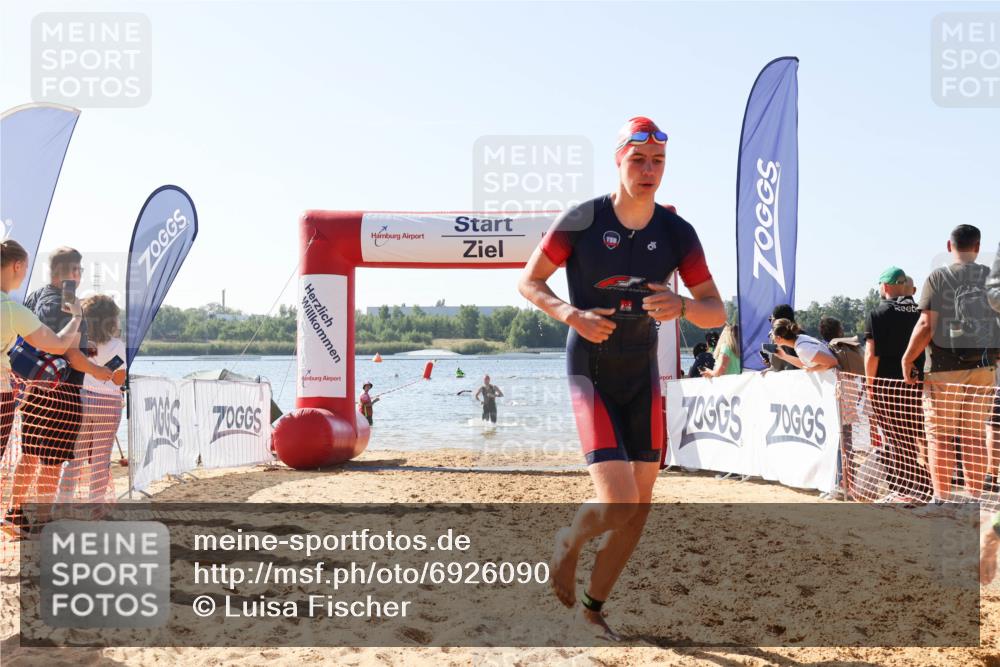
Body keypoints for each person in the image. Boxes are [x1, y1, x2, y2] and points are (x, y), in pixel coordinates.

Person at [517, 116, 726, 639]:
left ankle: (593, 607)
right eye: (638, 160)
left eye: (657, 162)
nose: (649, 170)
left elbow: (716, 312)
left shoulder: (677, 232)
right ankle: (569, 539)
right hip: (589, 367)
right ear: (618, 160)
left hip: (641, 373)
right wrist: (571, 315)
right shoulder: (583, 219)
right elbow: (529, 281)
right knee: (616, 502)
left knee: (639, 508)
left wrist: (681, 304)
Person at [5, 247, 125, 534]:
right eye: (79, 271)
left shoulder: (34, 297)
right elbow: (71, 354)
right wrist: (99, 372)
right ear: (71, 273)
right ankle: (43, 522)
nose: (81, 276)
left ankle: (15, 511)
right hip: (62, 392)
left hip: (34, 388)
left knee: (30, 454)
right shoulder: (66, 305)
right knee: (53, 460)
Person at [902, 225, 997, 504]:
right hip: (984, 367)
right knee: (974, 436)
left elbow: (926, 324)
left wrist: (908, 357)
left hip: (944, 368)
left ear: (949, 246)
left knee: (940, 437)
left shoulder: (939, 277)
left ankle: (942, 499)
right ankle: (974, 499)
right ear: (978, 247)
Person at [0, 240, 84, 463]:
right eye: (26, 267)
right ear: (17, 266)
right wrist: (76, 316)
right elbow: (59, 345)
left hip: (28, 393)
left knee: (28, 457)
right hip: (30, 393)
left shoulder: (28, 301)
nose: (26, 273)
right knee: (48, 464)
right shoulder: (11, 309)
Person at [862, 267, 931, 503]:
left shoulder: (878, 313)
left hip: (887, 385)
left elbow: (871, 354)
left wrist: (869, 385)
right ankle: (923, 486)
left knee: (895, 438)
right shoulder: (922, 312)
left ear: (886, 286)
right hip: (918, 382)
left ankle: (906, 490)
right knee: (917, 436)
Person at [57, 294, 126, 504]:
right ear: (111, 320)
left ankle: (62, 504)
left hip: (83, 399)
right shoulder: (117, 345)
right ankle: (95, 508)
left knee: (74, 458)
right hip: (108, 403)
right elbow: (118, 381)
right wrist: (108, 372)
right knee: (100, 459)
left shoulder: (79, 343)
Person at [770, 318, 839, 371]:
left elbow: (833, 362)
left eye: (772, 334)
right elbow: (806, 363)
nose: (771, 337)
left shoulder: (802, 349)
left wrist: (812, 370)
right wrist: (784, 356)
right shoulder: (801, 340)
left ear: (779, 337)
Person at [764, 304, 797, 372]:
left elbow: (776, 366)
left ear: (777, 321)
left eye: (771, 319)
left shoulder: (777, 337)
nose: (771, 322)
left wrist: (771, 366)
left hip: (790, 377)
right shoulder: (802, 335)